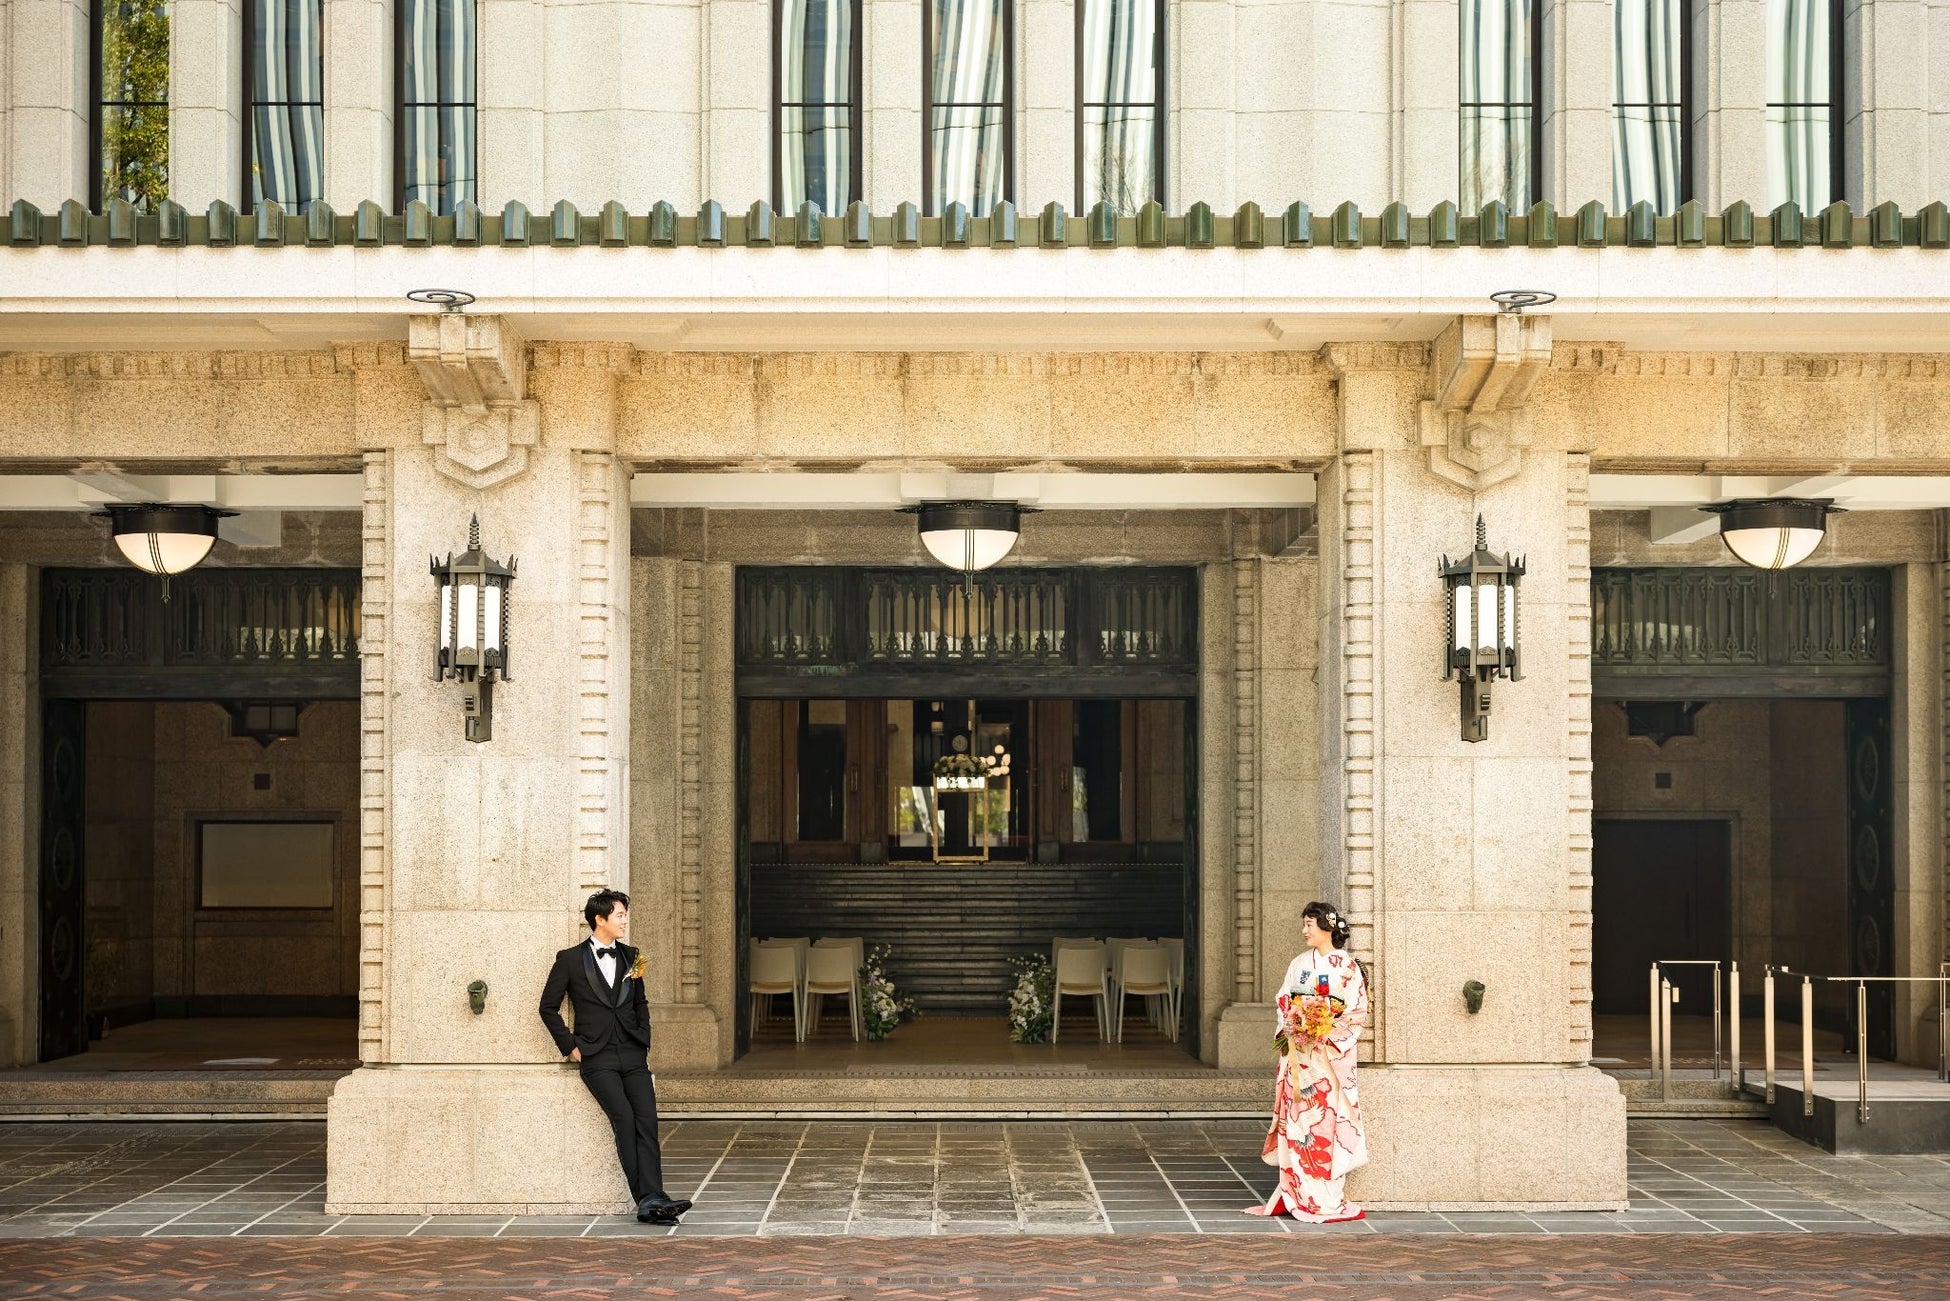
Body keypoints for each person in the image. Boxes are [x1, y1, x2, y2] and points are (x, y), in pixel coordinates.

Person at [538, 888, 691, 1225]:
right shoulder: (569, 959)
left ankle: (654, 1198)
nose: (625, 921)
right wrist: (571, 1047)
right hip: (596, 1055)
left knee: (647, 1122)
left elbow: (640, 1003)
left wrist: (644, 1038)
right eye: (620, 915)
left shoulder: (632, 956)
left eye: (625, 915)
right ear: (600, 919)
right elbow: (547, 1008)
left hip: (632, 1052)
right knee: (624, 1120)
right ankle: (648, 1199)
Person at [1244, 900, 1369, 1223]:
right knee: (1299, 1124)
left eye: (1309, 925)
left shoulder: (1348, 968)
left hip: (1329, 1061)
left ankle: (1326, 1195)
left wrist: (1324, 1030)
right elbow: (1284, 1002)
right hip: (1300, 1056)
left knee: (1327, 1125)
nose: (1304, 931)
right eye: (1304, 924)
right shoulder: (1298, 964)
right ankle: (1297, 1192)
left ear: (1326, 927)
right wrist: (1294, 1025)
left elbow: (1356, 1012)